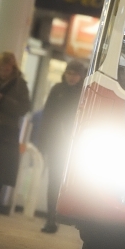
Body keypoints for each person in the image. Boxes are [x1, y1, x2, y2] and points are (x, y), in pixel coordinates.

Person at [35, 60, 85, 233]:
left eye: (75, 74)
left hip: (74, 145)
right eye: (69, 73)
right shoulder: (57, 89)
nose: (72, 77)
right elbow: (47, 115)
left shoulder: (84, 93)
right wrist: (42, 140)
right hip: (56, 142)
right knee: (54, 180)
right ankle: (51, 218)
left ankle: (64, 216)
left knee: (70, 183)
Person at [0, 52, 30, 221]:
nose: (3, 72)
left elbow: (25, 107)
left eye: (7, 69)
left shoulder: (20, 84)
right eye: (1, 69)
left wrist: (4, 101)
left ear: (12, 68)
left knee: (0, 170)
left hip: (6, 132)